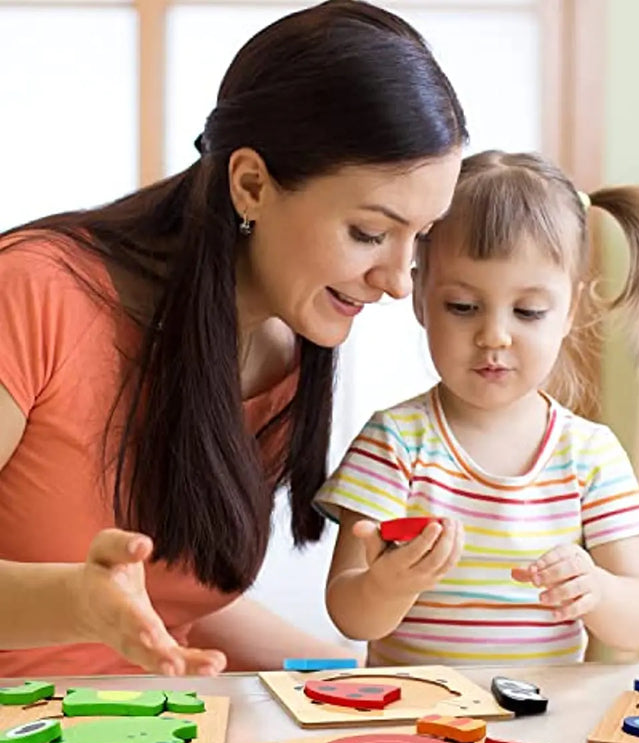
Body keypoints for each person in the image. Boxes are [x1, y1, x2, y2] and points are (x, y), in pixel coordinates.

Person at [0, 0, 467, 677]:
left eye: (418, 238)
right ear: (251, 184)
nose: (398, 281)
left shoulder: (283, 350)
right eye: (370, 233)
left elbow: (174, 598)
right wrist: (74, 600)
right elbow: (111, 607)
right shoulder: (34, 294)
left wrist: (359, 686)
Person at [317, 150, 639, 667]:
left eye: (528, 311)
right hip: (419, 725)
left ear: (570, 310)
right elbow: (348, 614)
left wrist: (596, 589)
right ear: (420, 300)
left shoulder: (589, 455)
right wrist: (387, 587)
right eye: (462, 307)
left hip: (543, 728)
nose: (494, 336)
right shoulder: (394, 441)